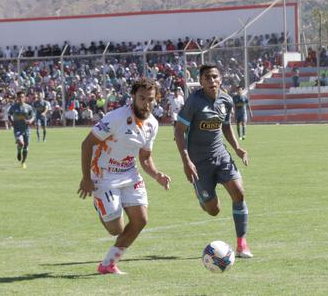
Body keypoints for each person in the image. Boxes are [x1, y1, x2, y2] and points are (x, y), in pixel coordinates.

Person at [77, 78, 171, 275]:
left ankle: (108, 264)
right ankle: (99, 203)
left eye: (150, 99)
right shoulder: (116, 117)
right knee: (116, 229)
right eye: (141, 98)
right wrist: (87, 179)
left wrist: (157, 175)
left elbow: (145, 157)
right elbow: (87, 144)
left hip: (130, 173)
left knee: (141, 220)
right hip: (104, 175)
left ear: (156, 99)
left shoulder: (152, 124)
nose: (146, 103)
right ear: (133, 97)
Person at [174, 64, 253, 258]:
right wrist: (186, 161)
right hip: (199, 163)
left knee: (239, 194)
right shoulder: (193, 102)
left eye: (215, 77)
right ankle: (203, 196)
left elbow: (226, 126)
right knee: (213, 210)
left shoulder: (226, 100)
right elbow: (178, 132)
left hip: (221, 156)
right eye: (207, 77)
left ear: (220, 79)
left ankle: (242, 244)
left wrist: (237, 148)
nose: (212, 81)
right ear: (200, 81)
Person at [8, 91, 34, 169]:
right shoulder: (13, 107)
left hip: (26, 129)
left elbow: (33, 116)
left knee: (26, 146)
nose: (21, 98)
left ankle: (23, 162)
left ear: (25, 98)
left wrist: (30, 121)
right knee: (21, 143)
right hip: (17, 129)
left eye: (22, 97)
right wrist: (12, 121)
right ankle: (19, 151)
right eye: (19, 97)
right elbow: (9, 115)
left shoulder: (28, 107)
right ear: (17, 98)